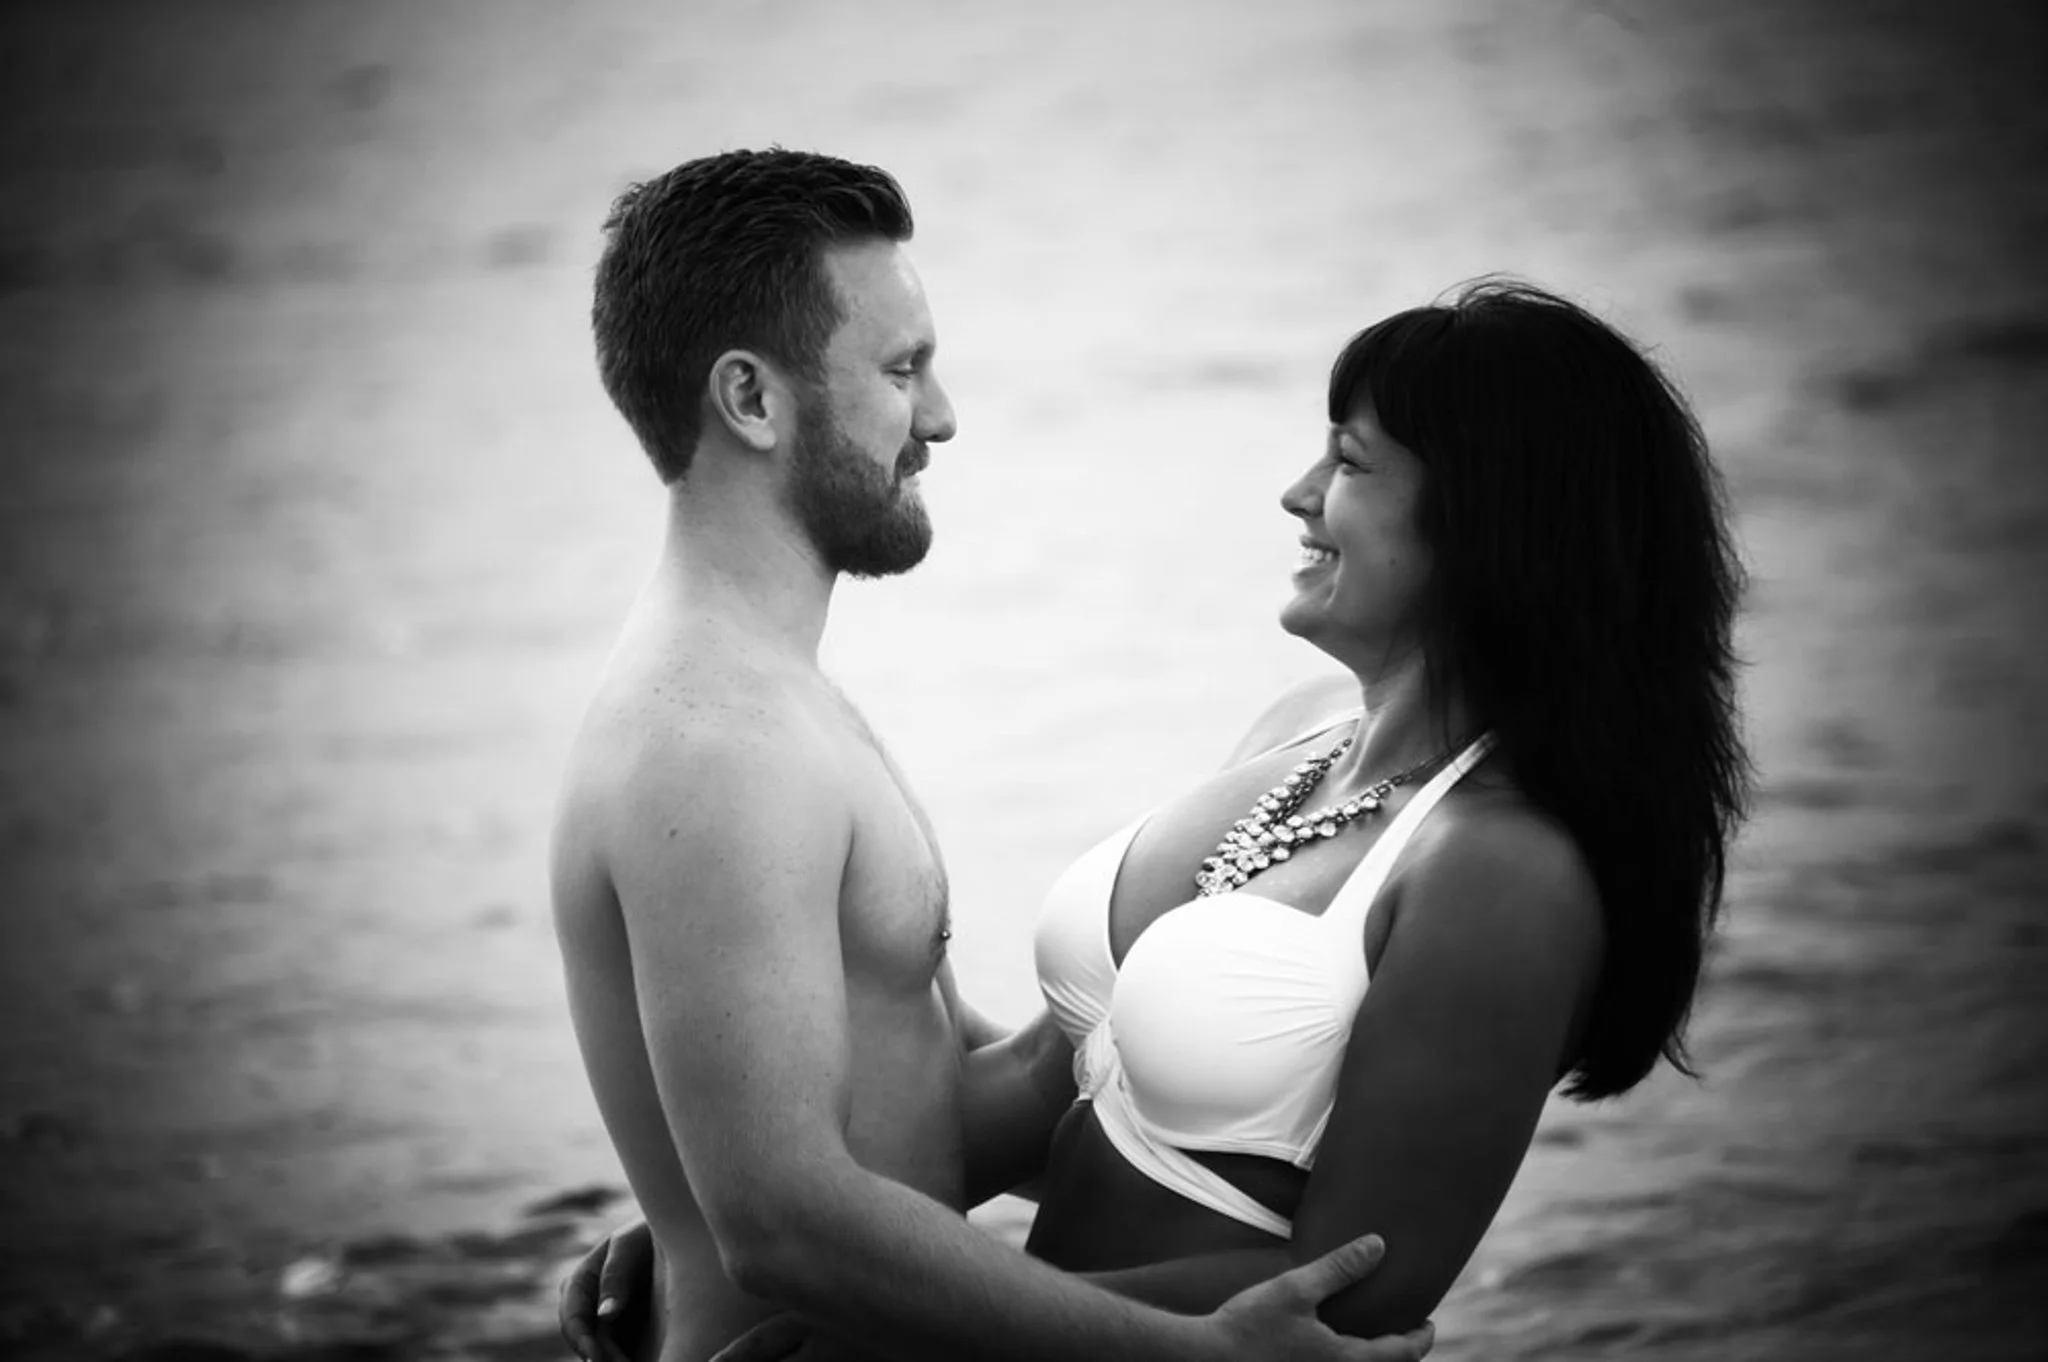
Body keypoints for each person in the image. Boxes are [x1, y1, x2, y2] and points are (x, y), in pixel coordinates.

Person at [561, 272, 1751, 1357]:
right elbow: (1041, 1090)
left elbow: (1353, 1288)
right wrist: (715, 1209)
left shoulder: (1501, 870)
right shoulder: (1296, 734)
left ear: (1490, 525)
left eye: (1347, 464)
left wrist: (896, 1330)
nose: (1297, 494)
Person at [549, 146, 1438, 1362]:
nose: (940, 417)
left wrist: (1255, 993)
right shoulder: (713, 749)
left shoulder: (770, 702)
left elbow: (921, 1125)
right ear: (751, 400)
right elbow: (780, 1228)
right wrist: (1192, 1355)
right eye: (900, 369)